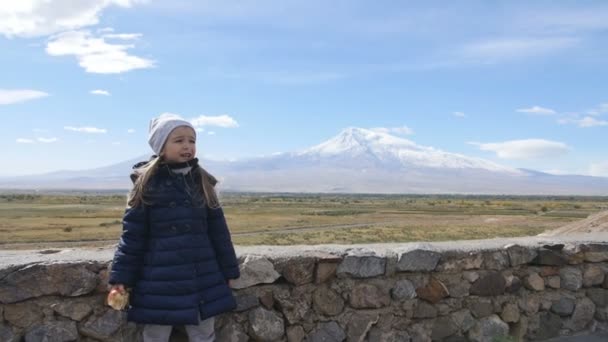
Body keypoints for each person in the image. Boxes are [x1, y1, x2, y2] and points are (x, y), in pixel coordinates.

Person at [108, 113, 240, 342]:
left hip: (203, 278)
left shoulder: (203, 182)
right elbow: (132, 238)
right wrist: (121, 278)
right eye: (179, 140)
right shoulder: (146, 184)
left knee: (204, 335)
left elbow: (219, 233)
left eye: (192, 140)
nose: (187, 146)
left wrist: (229, 271)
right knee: (155, 335)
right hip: (157, 280)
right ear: (161, 147)